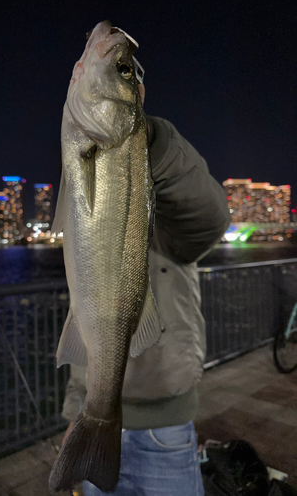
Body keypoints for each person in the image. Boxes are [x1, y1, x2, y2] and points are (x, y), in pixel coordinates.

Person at [60, 42, 231, 496]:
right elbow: (87, 315)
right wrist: (78, 412)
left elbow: (211, 216)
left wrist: (152, 140)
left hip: (167, 433)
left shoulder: (174, 219)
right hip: (93, 420)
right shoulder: (83, 160)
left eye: (122, 71)